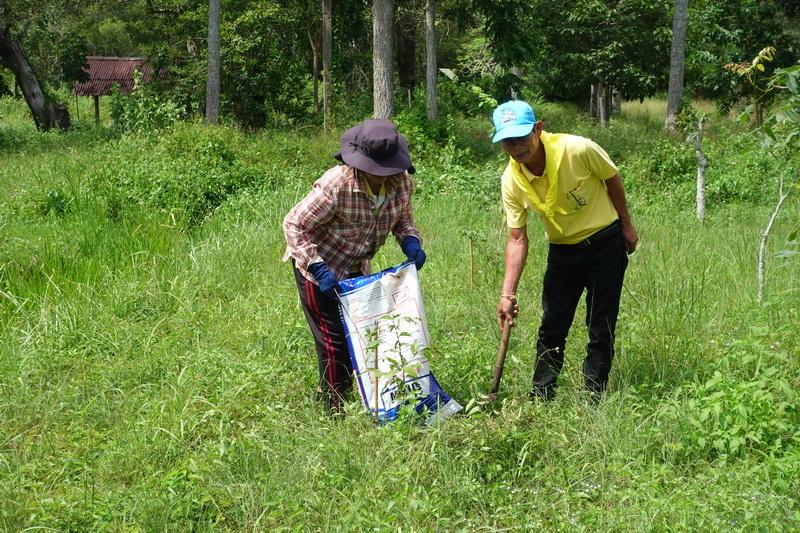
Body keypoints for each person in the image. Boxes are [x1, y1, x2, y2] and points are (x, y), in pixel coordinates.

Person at [492, 100, 638, 401]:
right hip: (562, 252)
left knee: (601, 324)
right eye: (508, 141)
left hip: (604, 244)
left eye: (521, 137)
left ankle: (592, 396)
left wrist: (626, 225)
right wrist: (508, 293)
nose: (516, 147)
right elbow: (517, 238)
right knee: (552, 325)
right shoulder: (511, 180)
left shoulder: (578, 149)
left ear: (538, 129)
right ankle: (542, 395)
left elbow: (612, 178)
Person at [283, 119, 426, 412]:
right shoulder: (337, 184)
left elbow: (403, 220)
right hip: (317, 268)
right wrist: (318, 267)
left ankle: (364, 397)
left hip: (357, 267)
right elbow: (294, 223)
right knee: (332, 340)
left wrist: (411, 241)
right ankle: (332, 406)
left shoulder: (402, 183)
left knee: (359, 333)